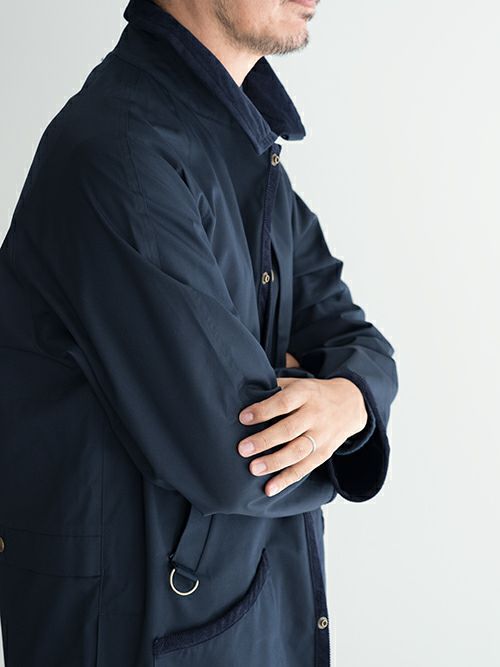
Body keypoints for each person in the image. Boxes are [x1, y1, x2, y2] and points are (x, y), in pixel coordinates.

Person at [0, 0, 398, 665]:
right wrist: (328, 415)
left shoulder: (242, 146)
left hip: (240, 617)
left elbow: (354, 336)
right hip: (137, 629)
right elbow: (234, 448)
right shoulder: (118, 152)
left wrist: (350, 401)